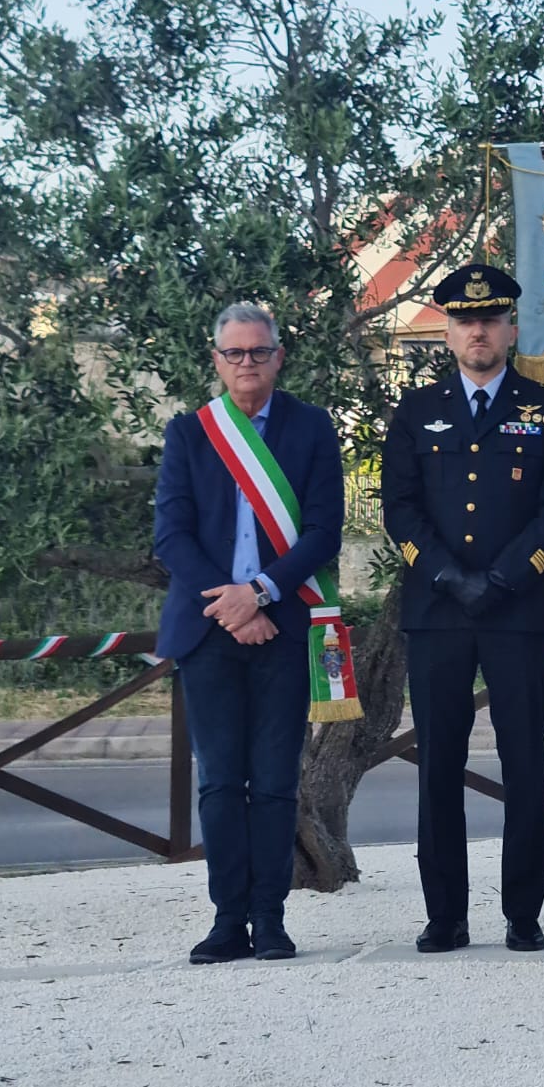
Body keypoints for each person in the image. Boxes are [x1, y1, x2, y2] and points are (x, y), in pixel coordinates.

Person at [382, 262, 544, 954]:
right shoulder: (415, 412)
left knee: (523, 761)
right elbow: (399, 510)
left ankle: (523, 913)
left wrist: (499, 580)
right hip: (437, 611)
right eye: (466, 320)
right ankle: (446, 916)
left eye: (490, 319)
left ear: (511, 328)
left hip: (516, 609)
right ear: (448, 331)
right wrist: (445, 575)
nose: (478, 330)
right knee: (438, 763)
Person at [153, 302, 344, 965]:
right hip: (208, 633)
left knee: (272, 783)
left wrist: (260, 592)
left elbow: (324, 530)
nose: (246, 364)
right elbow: (169, 536)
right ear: (216, 359)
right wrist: (232, 604)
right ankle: (227, 921)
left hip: (283, 627)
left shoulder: (312, 429)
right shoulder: (188, 433)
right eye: (233, 353)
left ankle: (271, 918)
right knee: (219, 782)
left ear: (278, 356)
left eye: (258, 352)